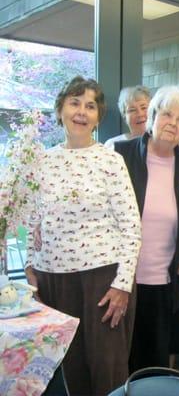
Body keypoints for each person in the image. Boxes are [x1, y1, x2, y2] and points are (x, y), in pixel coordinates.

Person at [24, 76, 142, 395]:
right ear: (60, 109)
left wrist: (122, 284)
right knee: (71, 369)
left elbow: (132, 225)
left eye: (90, 106)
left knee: (108, 369)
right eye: (74, 102)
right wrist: (30, 270)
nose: (81, 111)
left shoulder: (110, 161)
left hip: (103, 280)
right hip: (54, 280)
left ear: (98, 117)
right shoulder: (41, 162)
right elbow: (33, 223)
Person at [114, 85, 179, 371]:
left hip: (168, 280)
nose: (173, 123)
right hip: (124, 281)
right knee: (124, 359)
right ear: (153, 115)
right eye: (167, 114)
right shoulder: (121, 155)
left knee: (161, 359)